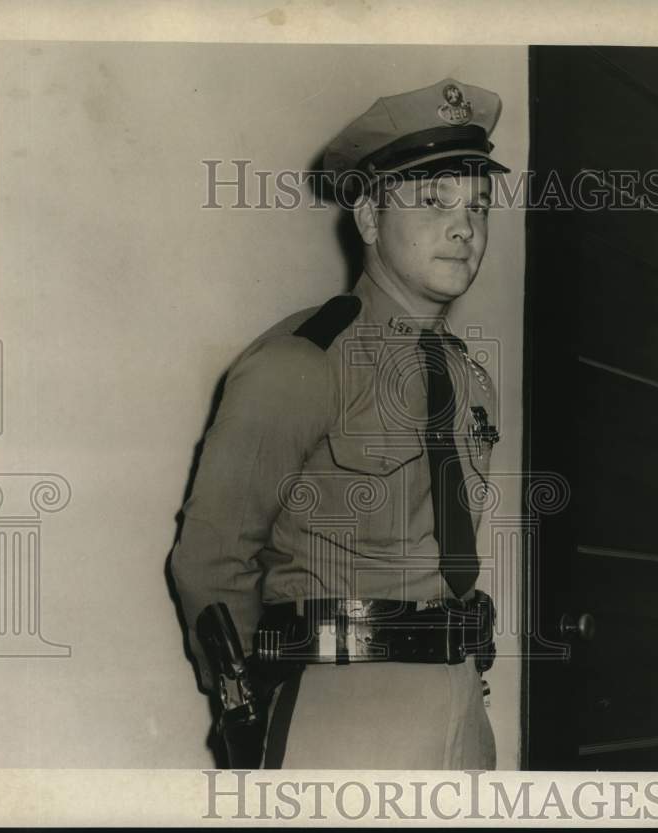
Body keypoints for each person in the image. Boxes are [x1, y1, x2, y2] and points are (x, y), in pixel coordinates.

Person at [171, 77, 509, 770]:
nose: (464, 227)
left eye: (478, 205)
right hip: (342, 709)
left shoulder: (471, 379)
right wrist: (244, 705)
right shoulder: (302, 363)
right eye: (433, 201)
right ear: (368, 218)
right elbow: (210, 556)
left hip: (460, 706)